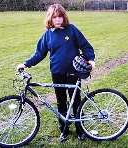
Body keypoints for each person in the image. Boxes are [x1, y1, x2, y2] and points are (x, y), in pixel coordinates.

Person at [17, 3, 95, 142]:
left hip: (73, 72)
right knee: (61, 102)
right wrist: (26, 63)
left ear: (64, 17)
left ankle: (80, 129)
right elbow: (39, 54)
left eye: (60, 16)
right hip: (57, 72)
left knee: (75, 101)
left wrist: (91, 59)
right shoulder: (47, 35)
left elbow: (85, 45)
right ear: (50, 19)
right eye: (54, 17)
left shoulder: (72, 30)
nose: (58, 20)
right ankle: (64, 128)